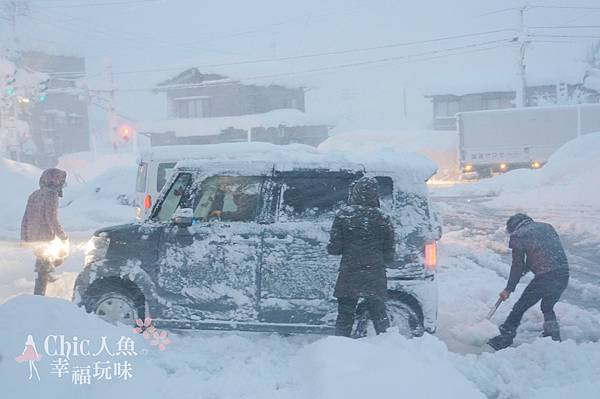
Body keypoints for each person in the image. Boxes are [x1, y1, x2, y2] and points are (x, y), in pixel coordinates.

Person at [488, 213, 570, 350]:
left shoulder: (518, 235)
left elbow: (517, 265)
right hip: (563, 274)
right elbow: (541, 254)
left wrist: (509, 288)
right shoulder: (547, 227)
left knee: (519, 307)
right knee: (547, 306)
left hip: (546, 277)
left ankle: (505, 337)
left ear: (513, 227)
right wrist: (520, 275)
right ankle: (553, 336)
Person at [327, 176, 395, 337]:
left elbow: (334, 249)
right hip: (374, 274)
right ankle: (388, 348)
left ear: (355, 193)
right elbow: (389, 254)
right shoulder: (384, 219)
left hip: (349, 273)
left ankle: (340, 350)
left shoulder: (344, 216)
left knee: (345, 316)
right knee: (379, 316)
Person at [21, 168, 68, 296]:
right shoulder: (51, 196)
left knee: (45, 264)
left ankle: (46, 283)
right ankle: (40, 296)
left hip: (33, 237)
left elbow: (25, 217)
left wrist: (24, 237)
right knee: (50, 264)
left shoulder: (34, 194)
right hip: (45, 237)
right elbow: (51, 218)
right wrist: (63, 236)